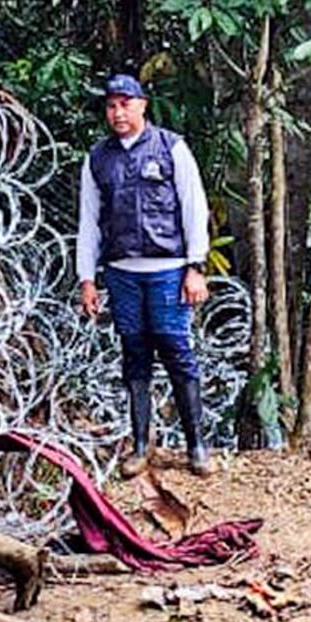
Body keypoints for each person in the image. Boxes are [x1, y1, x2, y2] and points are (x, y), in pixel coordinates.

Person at [76, 74, 215, 476]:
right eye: (111, 105)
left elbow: (193, 206)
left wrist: (195, 266)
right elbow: (90, 222)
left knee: (176, 353)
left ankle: (197, 447)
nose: (118, 113)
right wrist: (87, 278)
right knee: (134, 356)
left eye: (125, 104)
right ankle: (139, 446)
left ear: (142, 105)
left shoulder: (172, 148)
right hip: (121, 273)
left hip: (168, 270)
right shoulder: (98, 159)